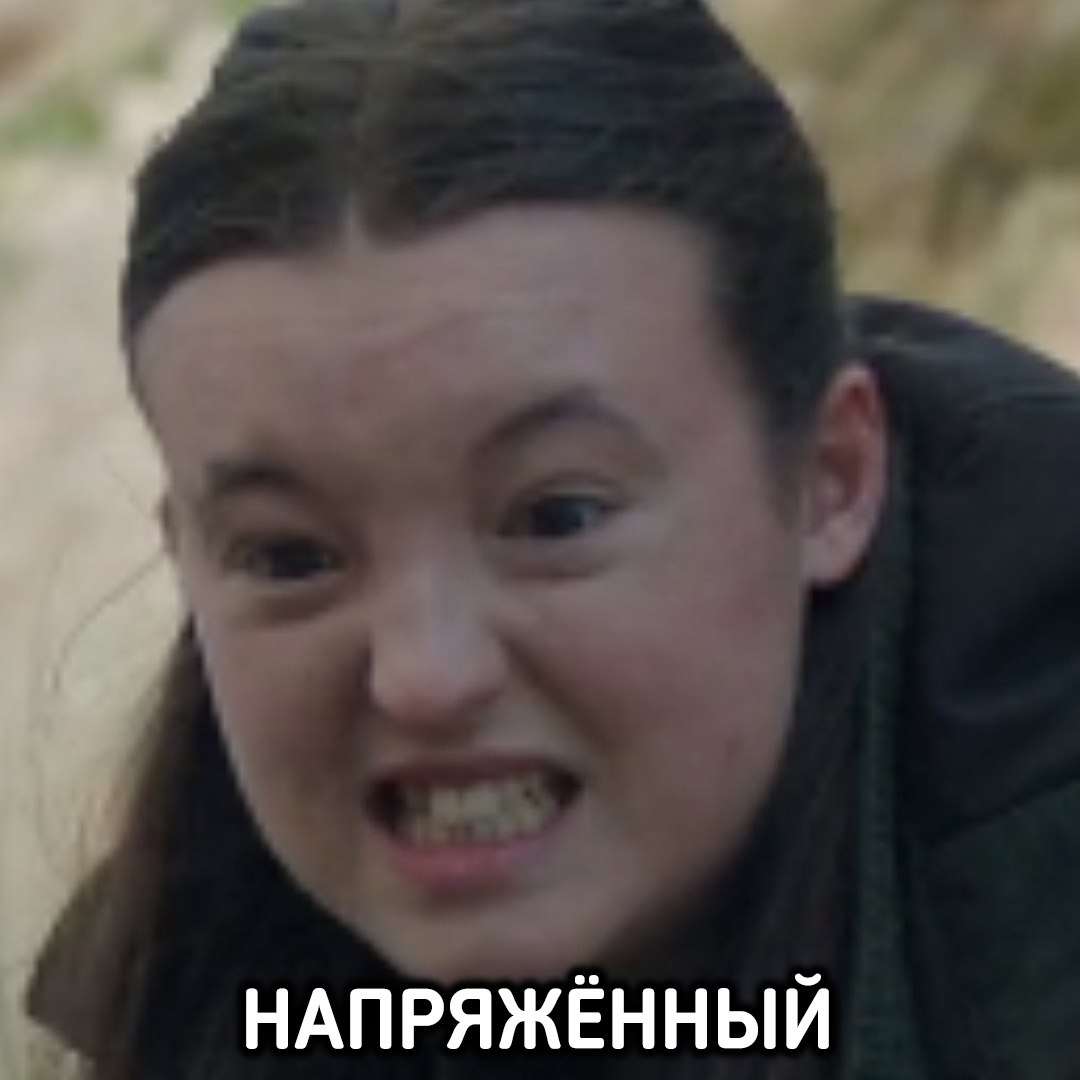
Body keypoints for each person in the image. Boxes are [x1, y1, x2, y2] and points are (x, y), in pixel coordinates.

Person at [25, 0, 1080, 1077]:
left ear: (830, 480)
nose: (425, 678)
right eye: (290, 556)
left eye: (555, 517)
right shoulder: (206, 987)